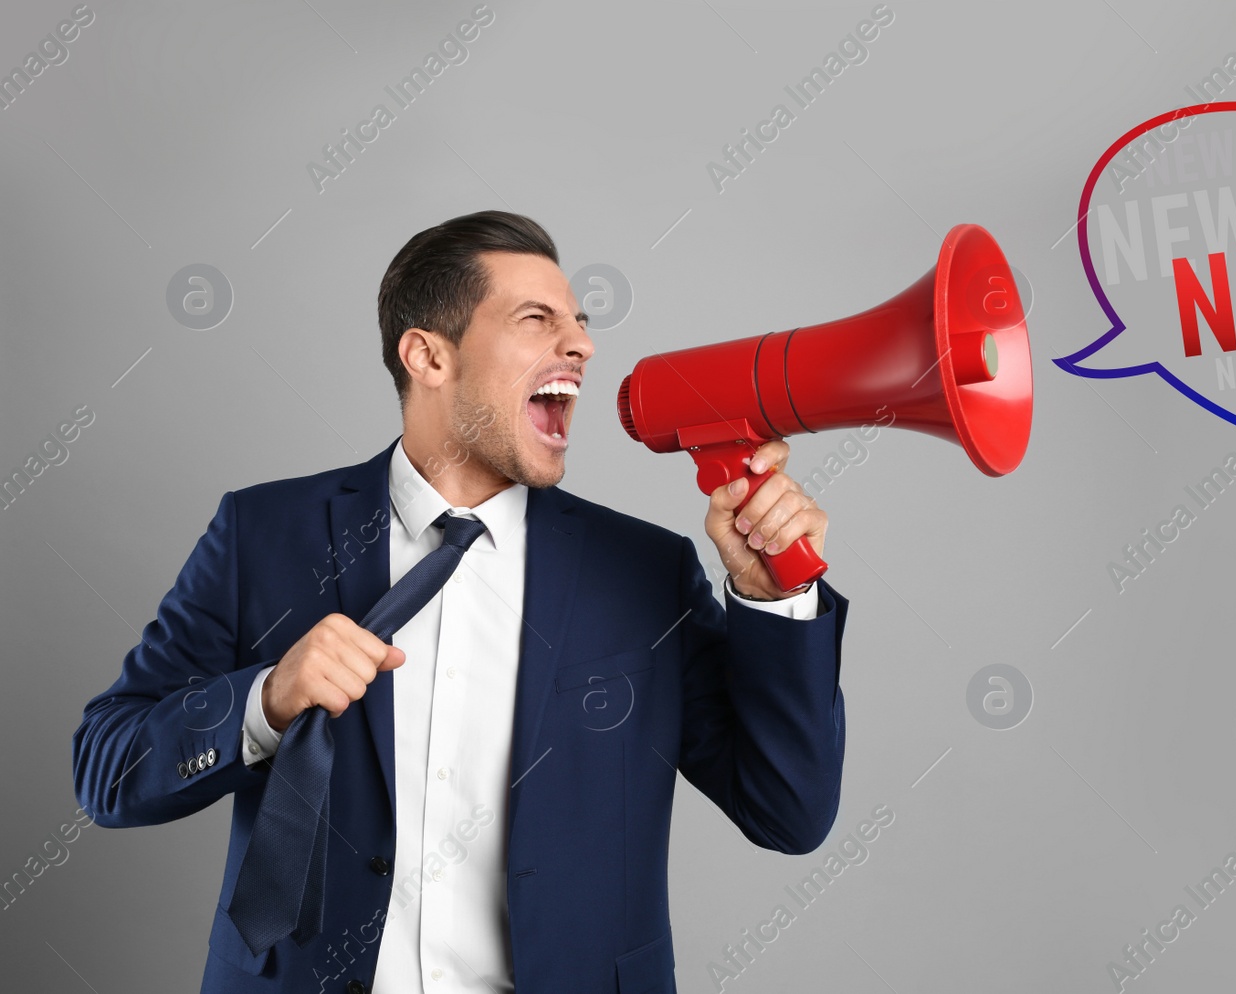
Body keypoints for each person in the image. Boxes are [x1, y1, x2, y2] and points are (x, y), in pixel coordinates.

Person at [71, 210, 849, 994]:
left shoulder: (645, 573)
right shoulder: (263, 534)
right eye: (536, 320)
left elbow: (789, 812)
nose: (580, 345)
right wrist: (265, 702)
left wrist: (776, 599)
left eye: (579, 323)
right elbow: (107, 769)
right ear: (428, 356)